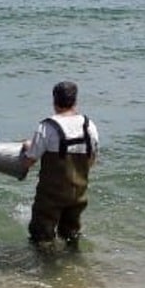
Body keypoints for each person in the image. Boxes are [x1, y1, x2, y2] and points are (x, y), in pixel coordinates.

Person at [21, 80, 100, 248]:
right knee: (71, 237)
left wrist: (28, 146)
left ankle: (48, 272)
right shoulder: (89, 126)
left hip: (50, 197)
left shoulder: (47, 127)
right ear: (75, 101)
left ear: (54, 100)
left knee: (41, 238)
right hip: (78, 195)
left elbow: (29, 161)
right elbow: (91, 160)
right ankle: (75, 268)